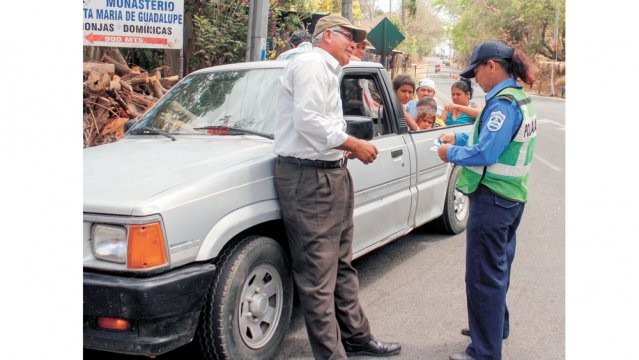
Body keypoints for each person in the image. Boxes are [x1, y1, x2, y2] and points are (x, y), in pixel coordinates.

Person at [273, 13, 401, 360]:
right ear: (328, 35)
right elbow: (309, 122)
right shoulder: (312, 65)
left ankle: (357, 338)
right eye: (349, 36)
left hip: (329, 173)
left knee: (342, 264)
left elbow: (321, 123)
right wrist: (353, 144)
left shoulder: (328, 68)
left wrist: (346, 150)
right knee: (318, 275)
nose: (354, 45)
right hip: (309, 177)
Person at [436, 40, 537, 360]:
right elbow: (492, 139)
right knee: (499, 268)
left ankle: (484, 351)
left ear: (492, 65)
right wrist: (460, 135)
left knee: (483, 274)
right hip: (511, 198)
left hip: (493, 198)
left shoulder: (503, 104)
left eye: (477, 70)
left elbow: (487, 151)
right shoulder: (518, 99)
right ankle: (494, 327)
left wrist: (450, 151)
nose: (475, 78)